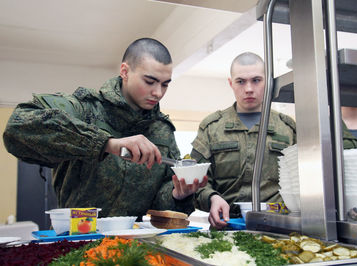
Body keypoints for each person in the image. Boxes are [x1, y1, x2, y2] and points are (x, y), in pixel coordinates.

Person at [3, 38, 207, 218]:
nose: (158, 92)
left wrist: (177, 194)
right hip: (78, 242)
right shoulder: (84, 108)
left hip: (135, 247)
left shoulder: (162, 130)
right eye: (150, 81)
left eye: (165, 84)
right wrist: (106, 143)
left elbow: (159, 208)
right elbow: (18, 126)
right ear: (125, 71)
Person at [190, 52, 296, 229]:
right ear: (231, 83)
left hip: (278, 229)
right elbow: (195, 180)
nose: (248, 88)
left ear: (268, 82)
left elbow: (302, 180)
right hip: (225, 228)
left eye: (256, 80)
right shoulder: (212, 127)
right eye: (240, 81)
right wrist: (211, 198)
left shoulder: (287, 128)